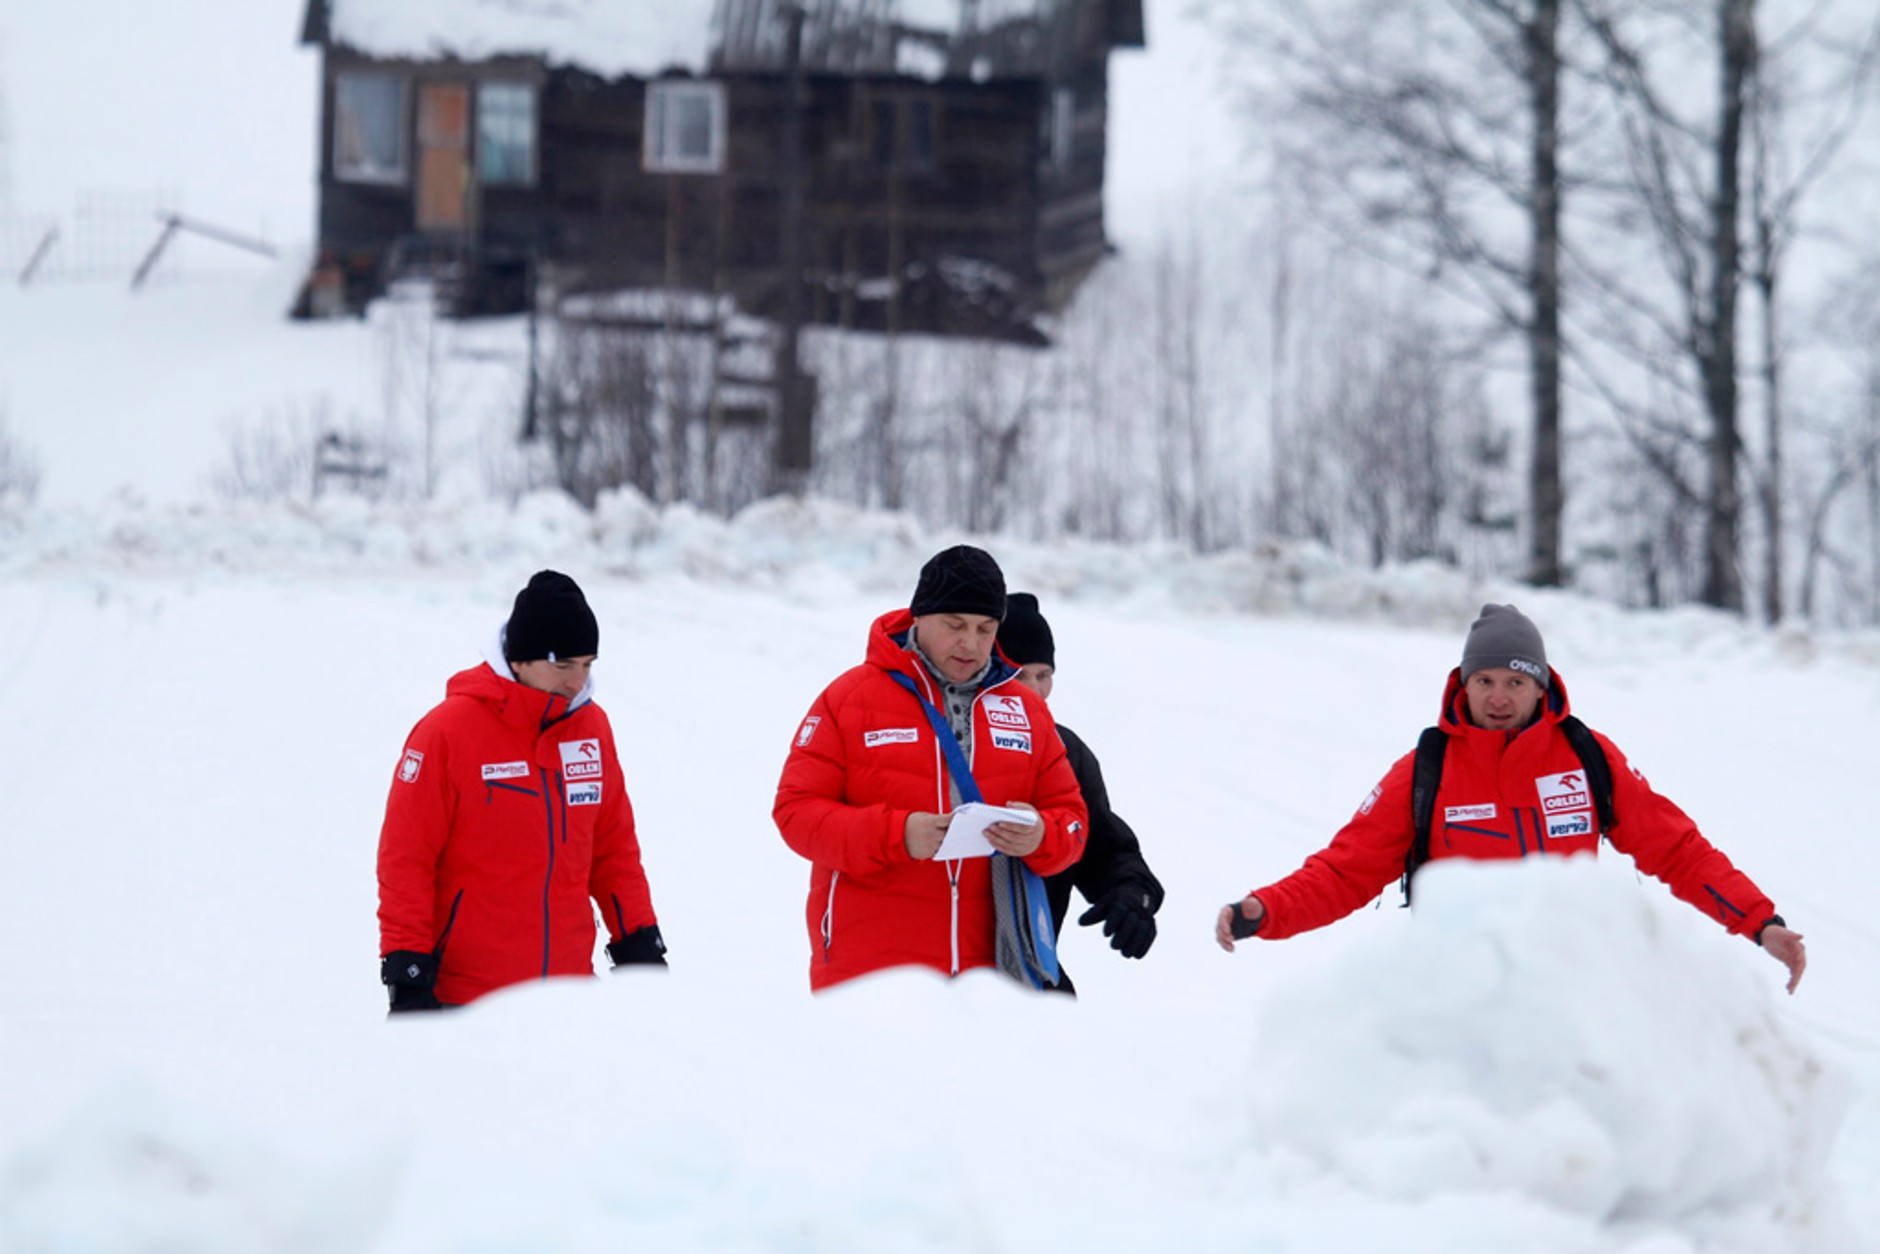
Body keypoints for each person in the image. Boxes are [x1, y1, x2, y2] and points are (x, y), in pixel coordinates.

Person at [1214, 604, 1807, 993]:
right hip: (1458, 993)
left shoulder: (1586, 758)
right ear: (1464, 684)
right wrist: (1265, 910)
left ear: (1540, 686)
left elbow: (1676, 849)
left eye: (1515, 682)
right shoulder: (1427, 769)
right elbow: (1346, 871)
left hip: (1573, 986)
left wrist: (1761, 923)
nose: (1498, 698)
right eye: (1485, 681)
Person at [773, 545, 1089, 991]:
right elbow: (796, 813)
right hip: (869, 974)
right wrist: (897, 834)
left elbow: (1073, 822)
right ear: (919, 617)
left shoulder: (1026, 711)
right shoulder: (848, 699)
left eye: (985, 629)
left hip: (990, 979)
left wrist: (1041, 836)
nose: (970, 643)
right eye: (955, 625)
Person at [376, 570, 667, 1012]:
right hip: (468, 1002)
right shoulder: (446, 733)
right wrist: (407, 971)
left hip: (569, 999)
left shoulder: (590, 729)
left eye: (587, 664)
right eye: (563, 665)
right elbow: (406, 860)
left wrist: (639, 943)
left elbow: (613, 852)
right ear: (519, 660)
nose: (577, 681)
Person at [997, 592, 1164, 995]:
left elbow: (1102, 847)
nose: (1034, 690)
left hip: (1029, 978)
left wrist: (1132, 893)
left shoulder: (1066, 752)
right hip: (934, 982)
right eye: (1018, 675)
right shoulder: (947, 744)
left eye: (1043, 675)